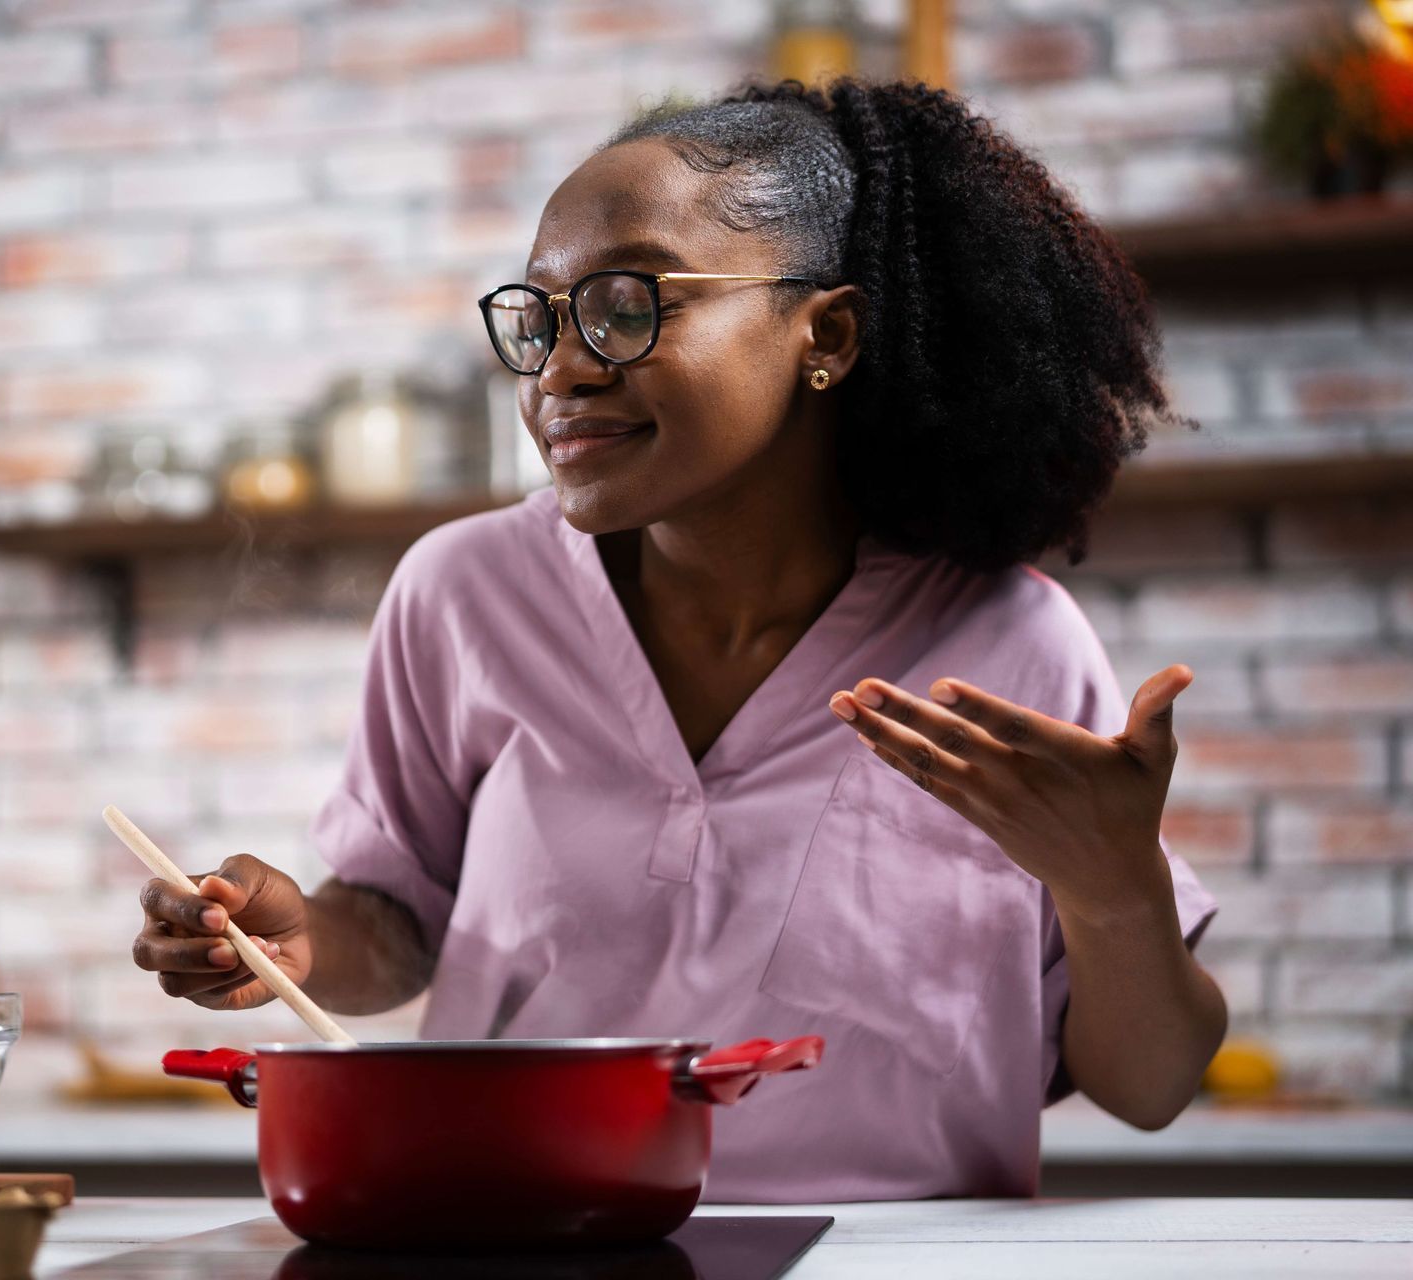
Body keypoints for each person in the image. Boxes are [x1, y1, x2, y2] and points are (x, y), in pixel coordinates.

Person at [133, 78, 1224, 1201]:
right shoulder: (464, 595)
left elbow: (1148, 1085)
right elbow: (401, 924)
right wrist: (297, 937)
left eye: (626, 304)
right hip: (520, 1237)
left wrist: (1114, 890)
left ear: (828, 332)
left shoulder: (1010, 643)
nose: (560, 367)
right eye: (540, 318)